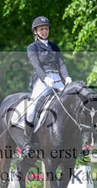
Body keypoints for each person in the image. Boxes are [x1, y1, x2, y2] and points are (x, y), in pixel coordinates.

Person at [20, 16, 72, 155]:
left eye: (46, 29)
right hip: (41, 80)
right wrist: (45, 78)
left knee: (71, 102)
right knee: (31, 109)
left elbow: (61, 64)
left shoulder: (54, 46)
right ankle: (28, 142)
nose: (44, 31)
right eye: (41, 29)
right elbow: (37, 66)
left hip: (57, 79)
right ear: (35, 31)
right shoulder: (32, 47)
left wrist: (66, 77)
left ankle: (74, 138)